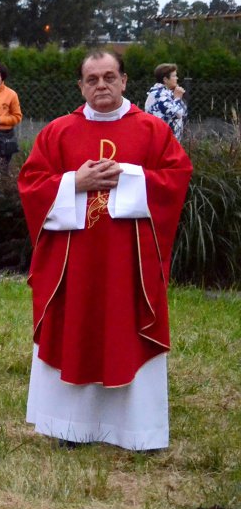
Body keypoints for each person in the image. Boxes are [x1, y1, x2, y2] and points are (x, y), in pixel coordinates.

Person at [18, 50, 192, 450]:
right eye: (92, 79)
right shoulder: (58, 132)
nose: (101, 86)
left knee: (125, 330)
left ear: (125, 81)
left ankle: (137, 431)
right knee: (74, 327)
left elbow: (176, 178)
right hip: (73, 263)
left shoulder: (152, 130)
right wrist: (73, 183)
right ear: (80, 86)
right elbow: (31, 184)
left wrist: (128, 177)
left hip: (129, 265)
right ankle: (71, 427)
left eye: (109, 77)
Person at [144, 63, 187, 140]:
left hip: (170, 141)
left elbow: (184, 112)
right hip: (162, 142)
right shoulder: (159, 95)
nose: (177, 78)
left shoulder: (168, 93)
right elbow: (178, 113)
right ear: (165, 79)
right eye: (174, 76)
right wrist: (177, 98)